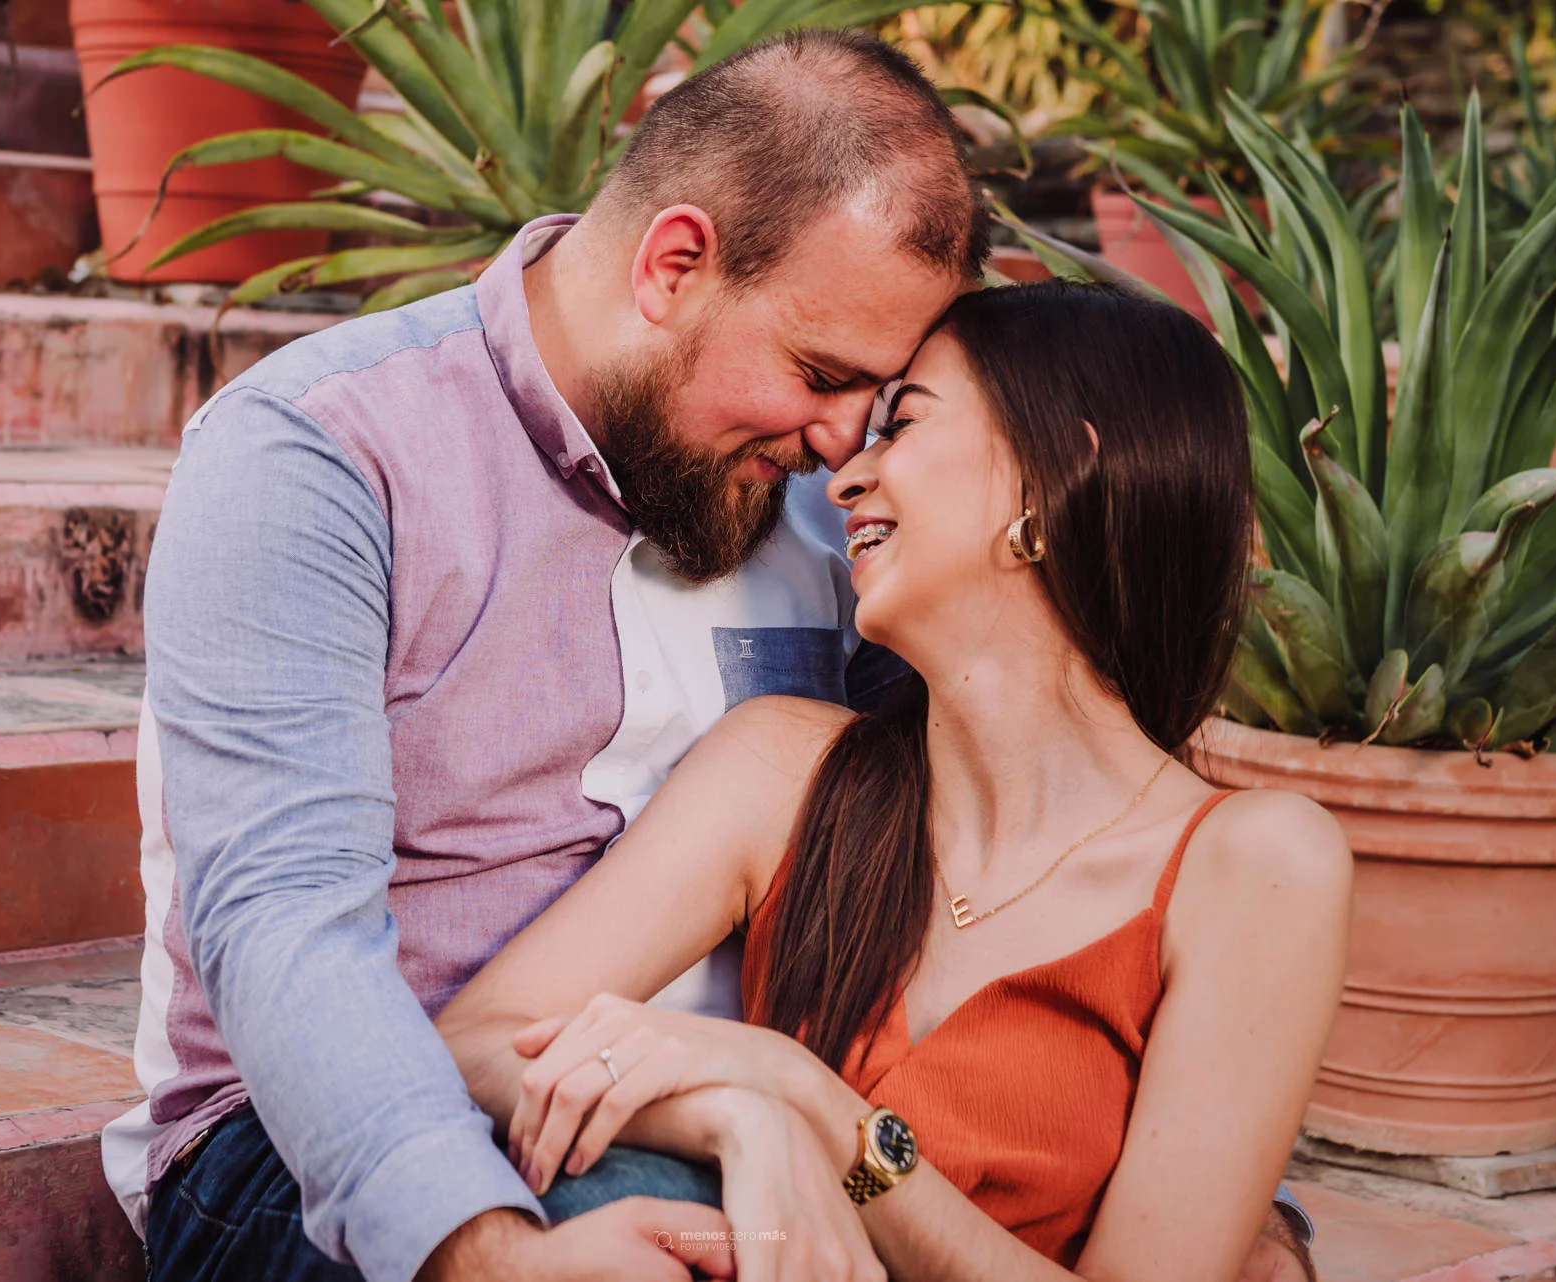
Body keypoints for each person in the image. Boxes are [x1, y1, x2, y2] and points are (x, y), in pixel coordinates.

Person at [104, 24, 1318, 1281]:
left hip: (749, 1126)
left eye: (889, 399)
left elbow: (1042, 806)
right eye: (824, 373)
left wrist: (1238, 1210)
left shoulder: (831, 518)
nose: (847, 442)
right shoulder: (322, 455)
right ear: (674, 264)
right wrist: (494, 1256)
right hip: (340, 1151)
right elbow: (281, 925)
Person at [437, 282, 1353, 1281]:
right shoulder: (782, 772)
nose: (843, 480)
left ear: (1058, 477)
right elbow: (474, 1040)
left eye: (902, 425)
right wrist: (736, 1113)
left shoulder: (1254, 864)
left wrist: (821, 1109)